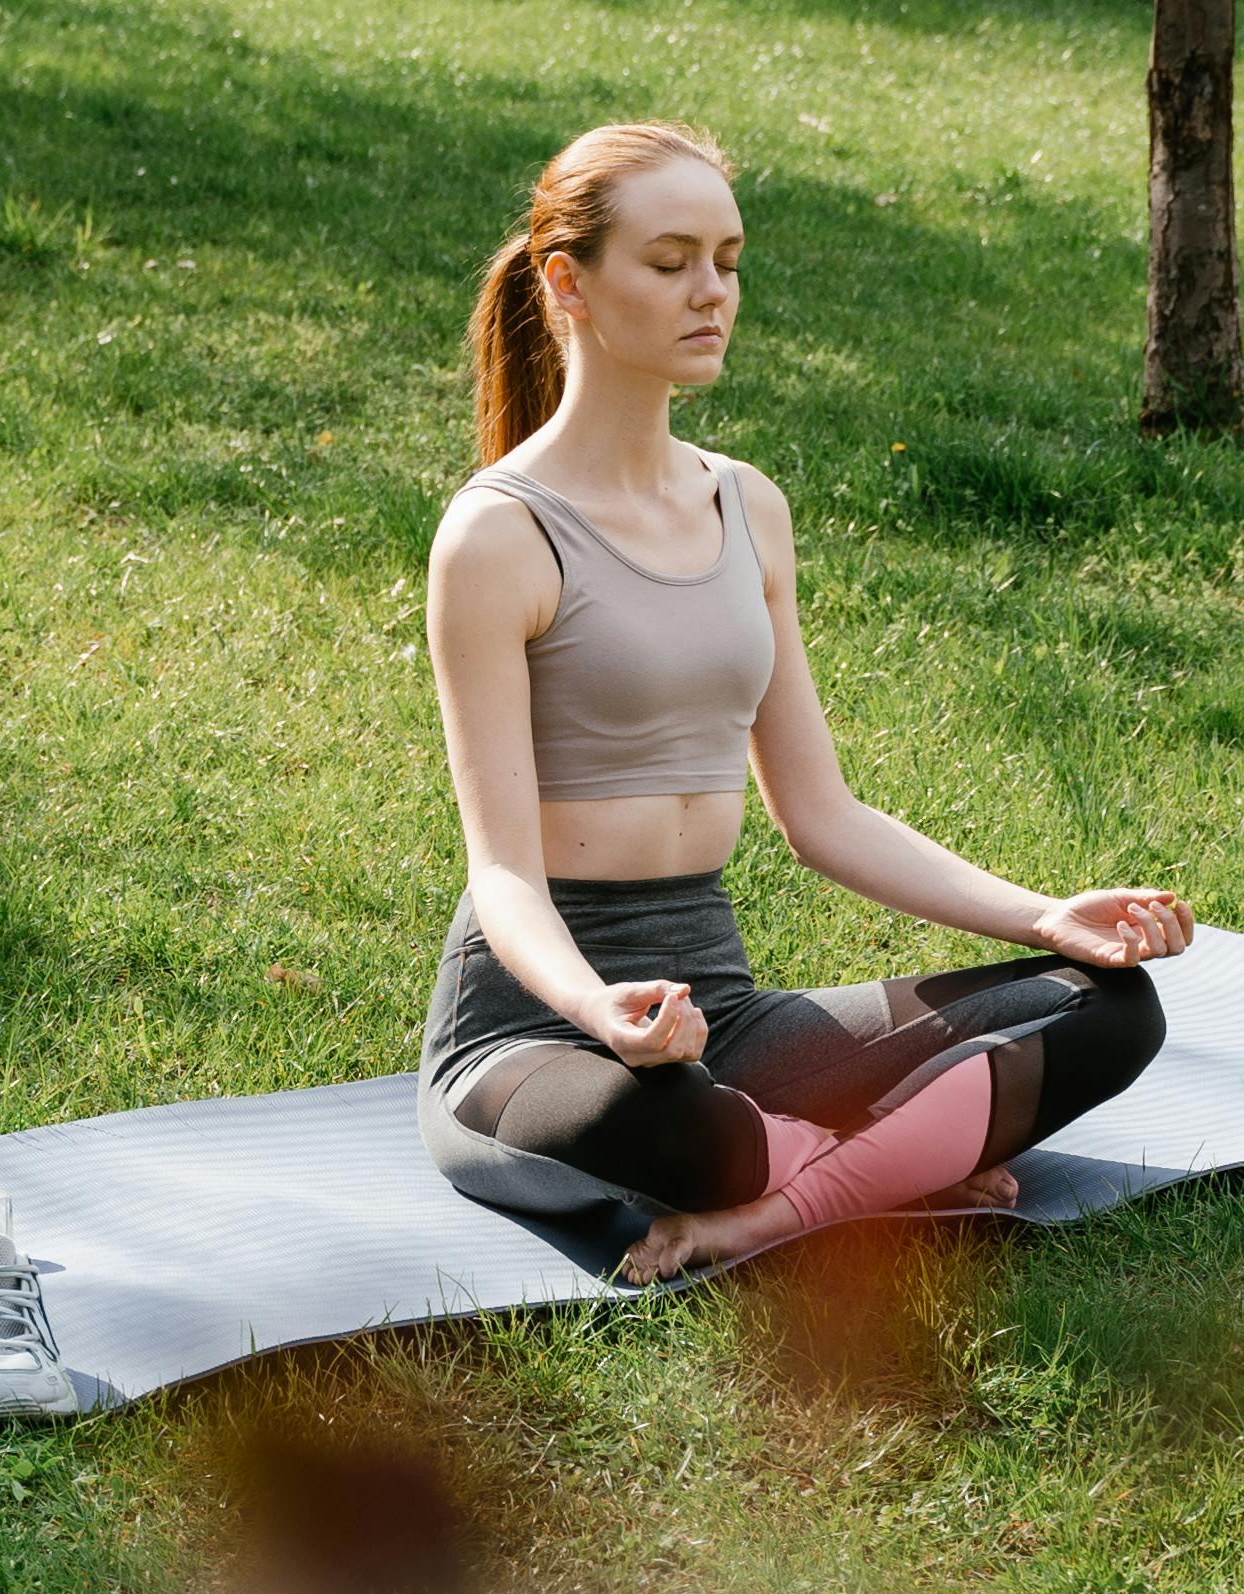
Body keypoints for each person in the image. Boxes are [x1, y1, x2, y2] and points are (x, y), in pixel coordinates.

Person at [418, 120, 1193, 1284]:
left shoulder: (747, 506)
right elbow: (503, 875)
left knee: (1110, 1007)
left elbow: (822, 812)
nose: (710, 292)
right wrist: (599, 1006)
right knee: (687, 1131)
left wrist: (1043, 917)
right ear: (567, 283)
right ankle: (885, 1165)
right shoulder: (498, 534)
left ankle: (781, 1214)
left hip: (723, 1010)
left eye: (727, 259)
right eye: (669, 261)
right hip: (536, 1028)